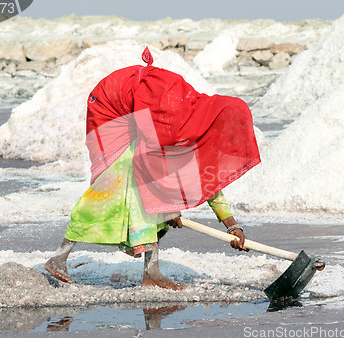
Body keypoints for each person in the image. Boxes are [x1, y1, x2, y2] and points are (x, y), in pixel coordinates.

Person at [45, 47, 261, 290]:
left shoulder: (197, 126)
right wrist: (169, 209)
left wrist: (232, 225)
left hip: (140, 116)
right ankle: (59, 258)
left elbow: (207, 181)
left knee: (151, 197)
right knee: (118, 192)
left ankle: (151, 273)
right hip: (111, 109)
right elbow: (149, 164)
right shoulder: (177, 124)